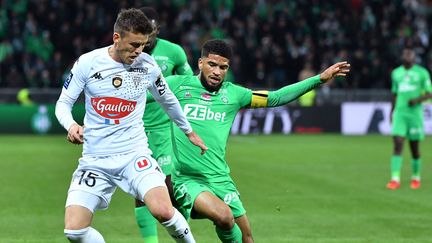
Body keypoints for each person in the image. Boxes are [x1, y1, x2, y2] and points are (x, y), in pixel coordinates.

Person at [147, 39, 350, 242]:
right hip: (188, 179)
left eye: (223, 67)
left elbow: (276, 97)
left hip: (220, 178)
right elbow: (139, 94)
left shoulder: (235, 94)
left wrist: (320, 79)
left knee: (247, 238)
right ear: (200, 63)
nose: (217, 72)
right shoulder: (177, 85)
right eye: (212, 65)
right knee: (225, 217)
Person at [55, 8, 207, 243]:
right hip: (96, 159)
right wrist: (71, 125)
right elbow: (63, 104)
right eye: (134, 44)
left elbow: (167, 99)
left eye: (143, 45)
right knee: (74, 231)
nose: (139, 51)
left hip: (134, 155)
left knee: (164, 210)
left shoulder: (147, 66)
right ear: (117, 38)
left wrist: (188, 131)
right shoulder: (88, 63)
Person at [134, 7, 194, 243]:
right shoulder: (127, 52)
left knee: (169, 189)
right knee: (141, 189)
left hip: (165, 131)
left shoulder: (174, 52)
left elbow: (188, 82)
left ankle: (182, 236)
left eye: (150, 32)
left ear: (157, 29)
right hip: (136, 131)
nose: (146, 38)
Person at [386, 46, 432, 190]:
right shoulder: (396, 73)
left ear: (414, 57)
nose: (407, 56)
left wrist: (417, 100)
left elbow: (429, 93)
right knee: (398, 143)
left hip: (414, 114)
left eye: (409, 54)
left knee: (414, 148)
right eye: (405, 54)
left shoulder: (422, 73)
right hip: (400, 113)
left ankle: (416, 177)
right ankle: (395, 178)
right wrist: (392, 111)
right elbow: (394, 94)